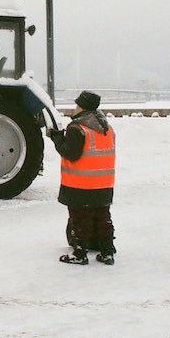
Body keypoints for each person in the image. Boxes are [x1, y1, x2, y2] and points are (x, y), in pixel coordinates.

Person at [49, 90, 117, 265]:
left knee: (80, 219)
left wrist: (57, 139)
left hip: (81, 184)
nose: (75, 107)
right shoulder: (107, 128)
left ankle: (79, 254)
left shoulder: (78, 128)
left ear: (83, 107)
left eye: (77, 104)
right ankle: (107, 252)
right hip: (104, 184)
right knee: (103, 217)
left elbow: (70, 154)